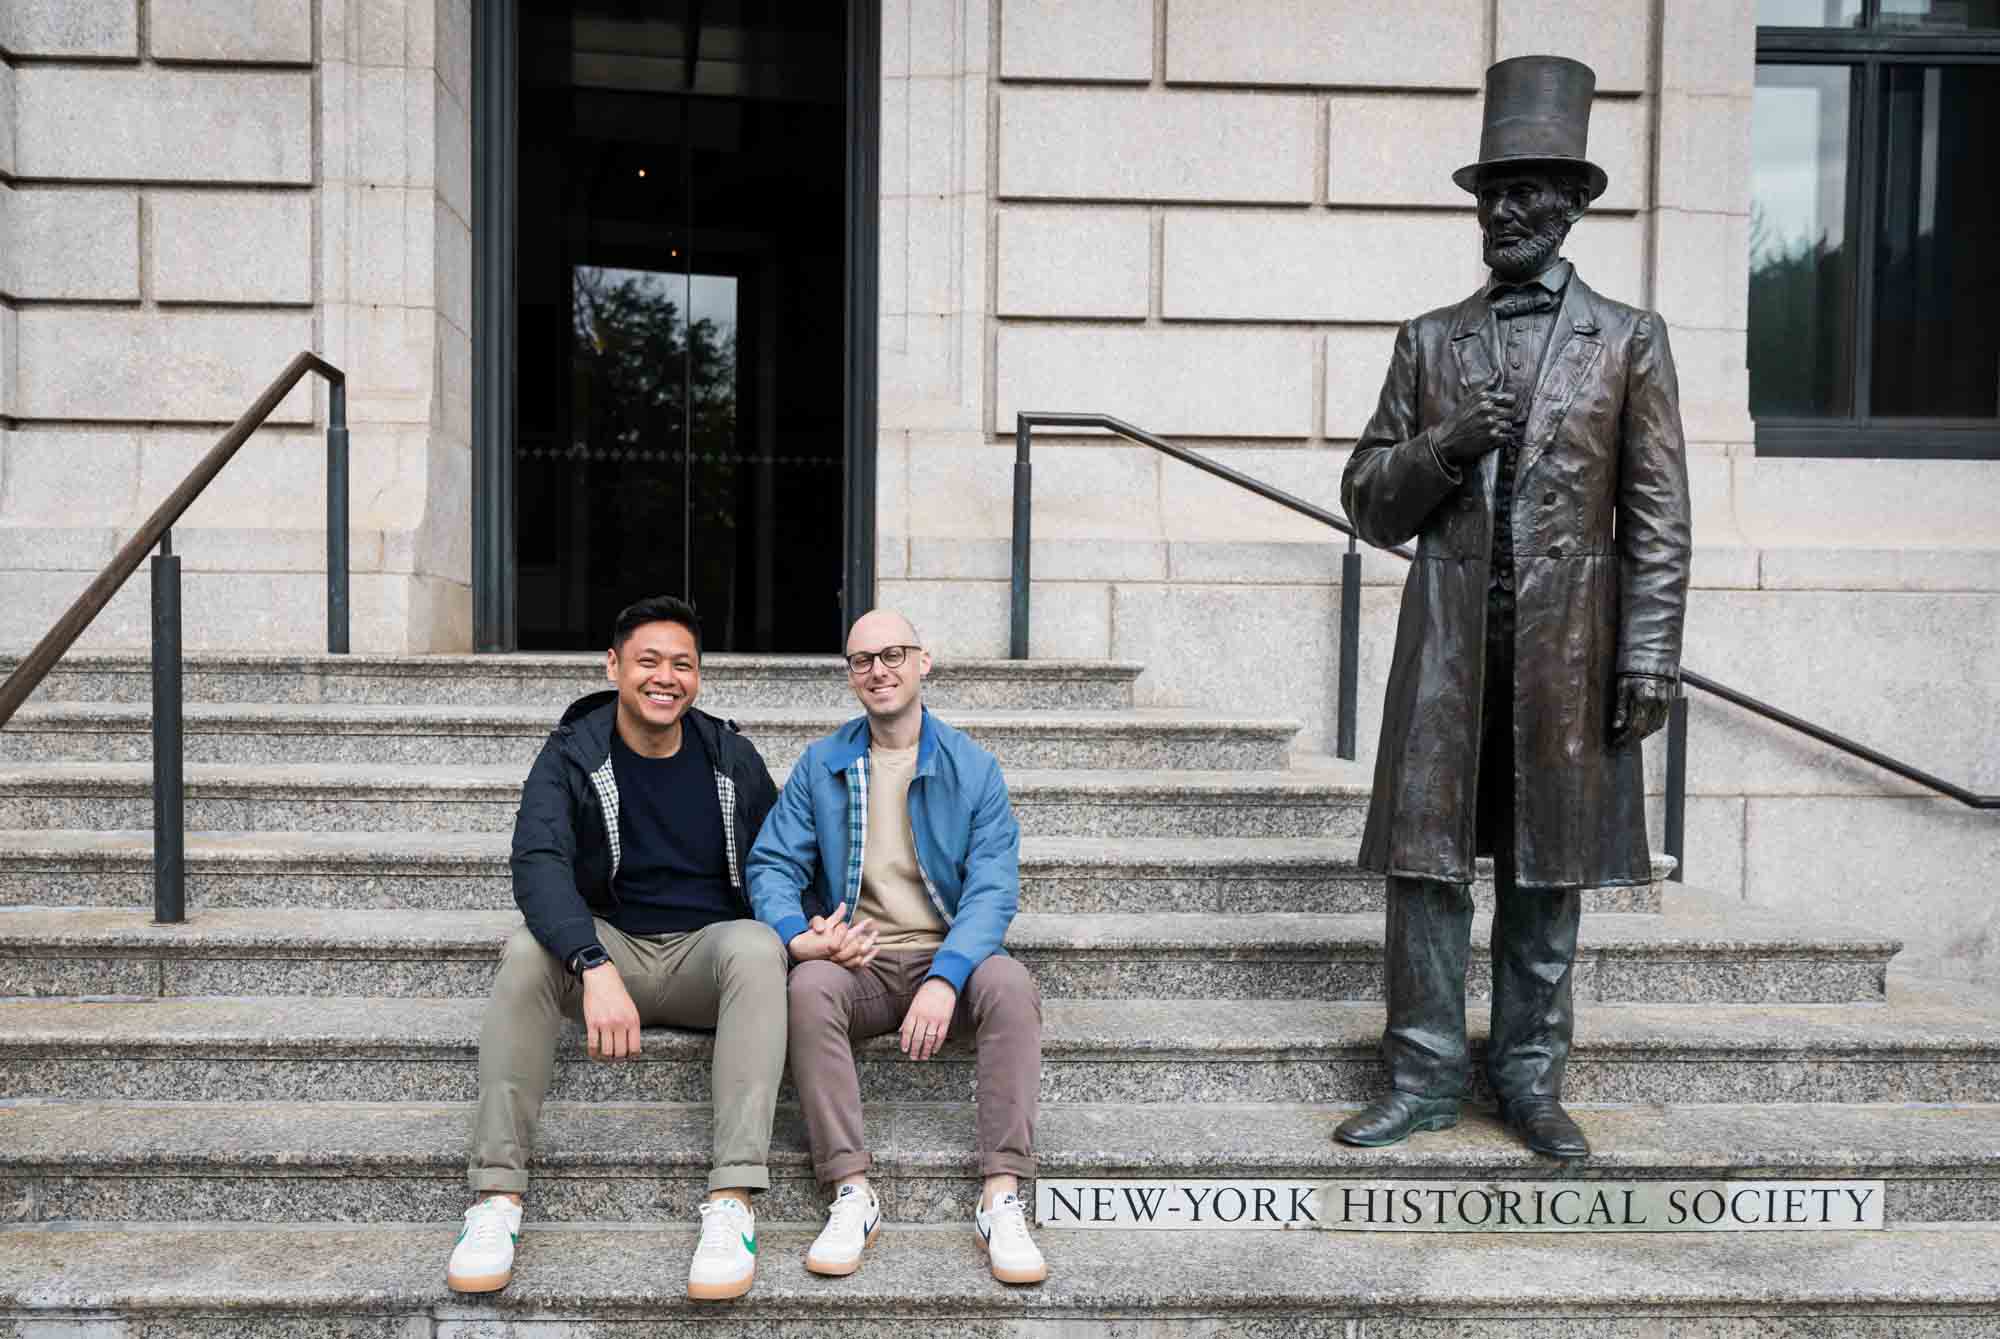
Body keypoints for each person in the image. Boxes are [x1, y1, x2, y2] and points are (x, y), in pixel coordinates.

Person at [1335, 56, 1692, 1161]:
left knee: (1547, 872)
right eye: (1490, 191)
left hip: (1564, 657)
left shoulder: (1628, 340)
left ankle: (1530, 1080)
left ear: (1573, 200)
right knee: (1426, 871)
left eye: (1526, 190)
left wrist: (1647, 657)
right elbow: (1365, 501)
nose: (1502, 210)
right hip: (1448, 650)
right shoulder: (1429, 341)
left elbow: (1656, 516)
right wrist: (1447, 442)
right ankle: (1423, 1073)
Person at [445, 595, 785, 1300]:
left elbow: (781, 857)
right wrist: (591, 962)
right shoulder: (574, 752)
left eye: (683, 664)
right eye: (649, 661)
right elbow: (537, 861)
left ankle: (733, 1200)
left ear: (698, 675)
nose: (666, 677)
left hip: (706, 955)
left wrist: (817, 926)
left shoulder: (730, 754)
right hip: (613, 949)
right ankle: (497, 1198)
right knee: (525, 952)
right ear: (614, 665)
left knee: (759, 948)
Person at [746, 609, 1047, 1284]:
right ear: (850, 675)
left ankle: (1002, 1194)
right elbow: (770, 865)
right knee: (807, 987)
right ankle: (851, 1190)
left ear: (923, 661)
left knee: (1013, 987)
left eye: (893, 654)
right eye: (862, 659)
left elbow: (993, 890)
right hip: (865, 962)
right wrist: (802, 937)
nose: (878, 669)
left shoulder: (973, 768)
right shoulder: (822, 764)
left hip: (954, 960)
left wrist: (946, 976)